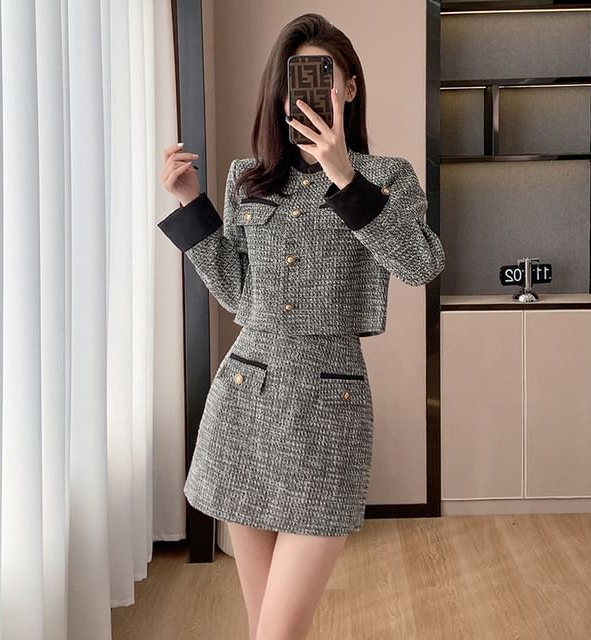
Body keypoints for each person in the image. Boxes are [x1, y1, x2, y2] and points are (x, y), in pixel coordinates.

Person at [158, 12, 445, 640]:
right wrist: (190, 204)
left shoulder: (387, 177)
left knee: (279, 631)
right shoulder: (248, 178)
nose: (306, 90)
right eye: (293, 78)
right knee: (265, 626)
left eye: (321, 74)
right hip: (245, 405)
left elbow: (421, 264)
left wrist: (345, 177)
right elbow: (239, 294)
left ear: (349, 87)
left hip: (328, 411)